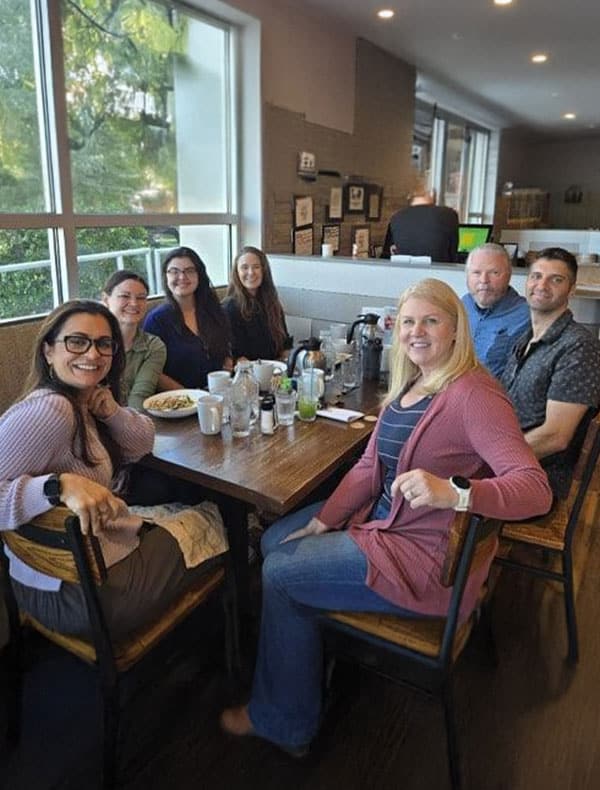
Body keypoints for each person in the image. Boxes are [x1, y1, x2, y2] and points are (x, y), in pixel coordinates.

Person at [220, 278, 552, 755]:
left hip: (422, 554)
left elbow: (534, 490)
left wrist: (456, 492)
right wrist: (323, 522)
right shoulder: (413, 383)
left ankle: (284, 720)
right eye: (409, 322)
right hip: (383, 522)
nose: (418, 332)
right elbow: (369, 466)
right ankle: (312, 651)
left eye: (431, 321)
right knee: (279, 539)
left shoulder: (474, 394)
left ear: (456, 330)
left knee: (280, 571)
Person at [0, 301, 223, 640]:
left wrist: (110, 411)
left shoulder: (81, 400)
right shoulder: (53, 410)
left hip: (72, 578)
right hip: (79, 595)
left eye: (104, 343)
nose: (93, 354)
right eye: (77, 341)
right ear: (48, 350)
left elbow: (141, 443)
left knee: (181, 512)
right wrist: (57, 486)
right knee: (217, 520)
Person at [501, 247, 600, 499]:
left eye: (556, 279)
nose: (542, 285)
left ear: (572, 289)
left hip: (540, 478)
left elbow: (556, 437)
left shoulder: (578, 346)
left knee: (439, 498)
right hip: (507, 463)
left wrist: (492, 459)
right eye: (536, 276)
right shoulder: (525, 339)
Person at [143, 247, 232, 389]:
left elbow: (226, 348)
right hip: (179, 402)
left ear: (199, 275)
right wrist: (190, 397)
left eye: (189, 271)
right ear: (165, 277)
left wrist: (227, 367)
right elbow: (153, 371)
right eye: (174, 271)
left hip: (218, 394)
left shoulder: (213, 310)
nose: (182, 277)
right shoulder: (156, 320)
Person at [462, 243, 530, 378]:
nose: (484, 280)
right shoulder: (463, 304)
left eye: (494, 273)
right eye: (476, 273)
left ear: (509, 276)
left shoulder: (527, 316)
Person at [101, 269, 166, 410]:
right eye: (125, 296)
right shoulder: (92, 343)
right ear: (106, 300)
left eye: (141, 297)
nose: (134, 303)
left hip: (130, 422)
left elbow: (140, 396)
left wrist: (128, 429)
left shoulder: (153, 346)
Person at [222, 246, 291, 360]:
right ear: (236, 273)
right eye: (244, 267)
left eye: (256, 267)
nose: (251, 272)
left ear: (264, 271)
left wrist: (288, 358)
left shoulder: (272, 303)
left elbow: (285, 343)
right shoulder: (229, 308)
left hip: (275, 372)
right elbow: (229, 354)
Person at [380, 178, 458, 262]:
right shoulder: (449, 215)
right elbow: (453, 255)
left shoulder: (396, 218)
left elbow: (386, 257)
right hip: (439, 273)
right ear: (432, 193)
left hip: (404, 272)